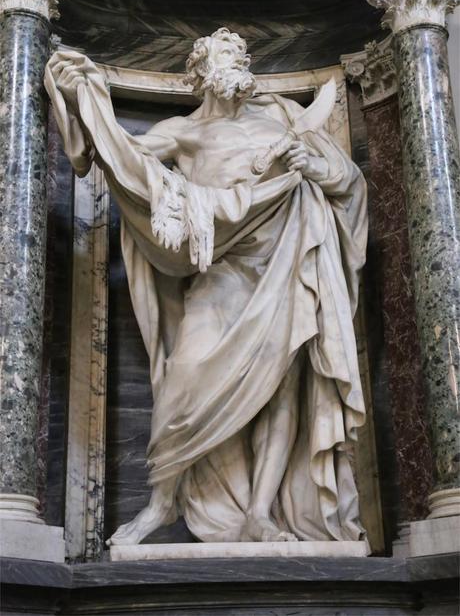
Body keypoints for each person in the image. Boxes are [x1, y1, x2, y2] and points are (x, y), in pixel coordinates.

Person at [45, 28, 368, 545]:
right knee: (184, 378)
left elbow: (349, 181)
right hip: (222, 272)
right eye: (227, 52)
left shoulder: (283, 118)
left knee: (279, 391)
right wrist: (87, 99)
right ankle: (160, 503)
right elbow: (125, 160)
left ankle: (261, 513)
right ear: (201, 72)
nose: (240, 58)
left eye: (243, 53)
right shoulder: (184, 132)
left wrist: (317, 167)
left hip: (285, 261)